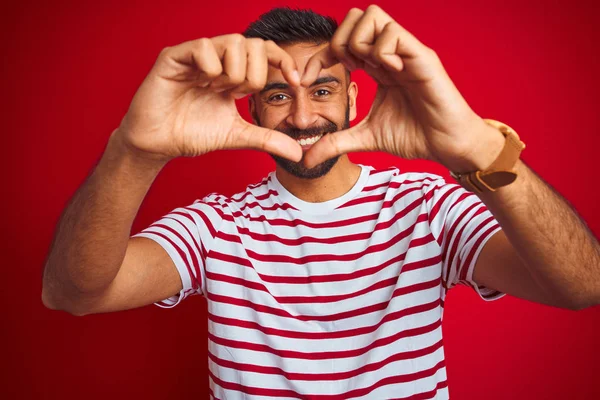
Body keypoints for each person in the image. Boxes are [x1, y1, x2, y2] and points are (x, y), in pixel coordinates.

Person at [41, 5, 600, 399]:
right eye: (279, 95)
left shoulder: (428, 205)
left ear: (354, 97)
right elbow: (74, 294)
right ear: (252, 110)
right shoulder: (217, 225)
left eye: (323, 91)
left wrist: (479, 148)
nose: (304, 117)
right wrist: (134, 151)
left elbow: (583, 286)